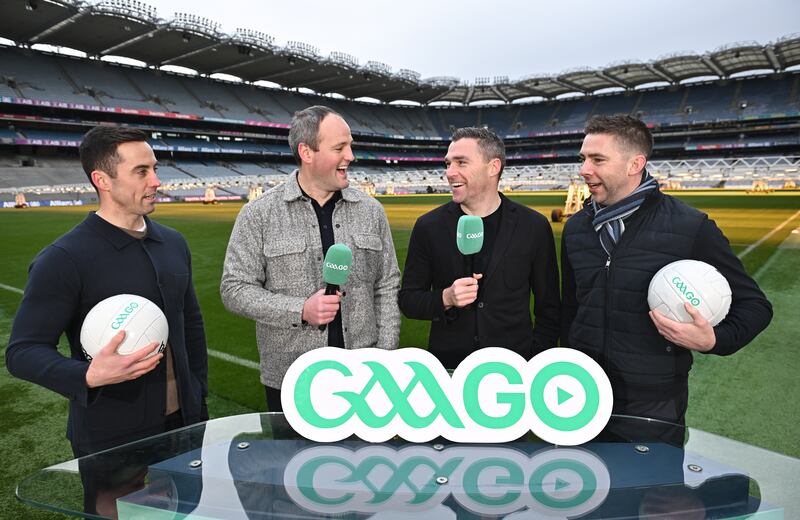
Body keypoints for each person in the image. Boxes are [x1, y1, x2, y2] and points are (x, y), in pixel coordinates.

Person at [561, 114, 772, 431]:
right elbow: (570, 307)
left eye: (597, 159)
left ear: (635, 164)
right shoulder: (576, 227)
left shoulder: (690, 226)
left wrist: (714, 339)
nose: (584, 169)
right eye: (583, 158)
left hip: (652, 402)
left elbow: (755, 306)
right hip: (580, 393)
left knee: (651, 482)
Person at [6, 126, 209, 457]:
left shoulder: (174, 242)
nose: (156, 181)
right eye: (141, 171)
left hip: (188, 424)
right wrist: (87, 374)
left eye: (155, 168)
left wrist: (198, 391)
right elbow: (23, 352)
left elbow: (192, 325)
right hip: (111, 438)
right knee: (121, 511)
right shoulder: (64, 258)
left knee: (190, 509)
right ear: (102, 180)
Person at [220, 105, 400, 412]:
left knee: (365, 461)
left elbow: (387, 285)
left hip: (365, 378)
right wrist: (300, 309)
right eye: (340, 148)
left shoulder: (372, 211)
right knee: (293, 462)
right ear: (307, 151)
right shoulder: (259, 213)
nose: (351, 157)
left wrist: (384, 355)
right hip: (290, 379)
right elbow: (234, 289)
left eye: (350, 146)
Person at [399, 127, 560, 368]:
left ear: (493, 167)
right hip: (449, 367)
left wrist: (533, 360)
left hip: (515, 372)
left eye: (461, 163)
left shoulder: (533, 226)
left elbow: (550, 308)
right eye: (448, 163)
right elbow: (409, 300)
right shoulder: (428, 226)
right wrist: (446, 297)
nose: (450, 172)